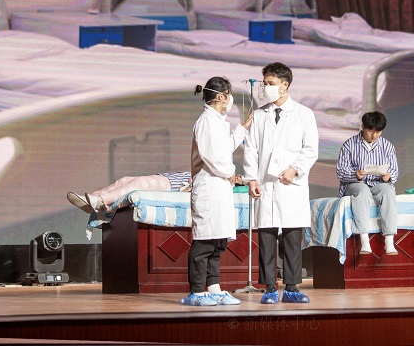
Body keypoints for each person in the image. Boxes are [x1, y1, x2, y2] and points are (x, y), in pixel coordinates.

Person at [243, 62, 319, 304]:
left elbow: (311, 149)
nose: (266, 88)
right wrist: (251, 178)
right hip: (265, 184)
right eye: (265, 83)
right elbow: (251, 150)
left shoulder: (304, 114)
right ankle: (269, 288)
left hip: (290, 184)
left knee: (292, 238)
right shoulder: (259, 115)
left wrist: (295, 169)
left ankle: (292, 287)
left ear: (285, 85)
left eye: (271, 83)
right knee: (266, 237)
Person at [182, 76, 252, 306]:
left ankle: (214, 288)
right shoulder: (206, 122)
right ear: (221, 96)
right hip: (209, 186)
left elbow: (223, 149)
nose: (230, 99)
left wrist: (242, 130)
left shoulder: (218, 122)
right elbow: (212, 157)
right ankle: (196, 292)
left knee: (217, 241)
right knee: (205, 241)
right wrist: (230, 172)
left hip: (219, 186)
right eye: (229, 94)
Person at [336, 111, 399, 256]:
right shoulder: (349, 144)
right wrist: (355, 174)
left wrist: (388, 177)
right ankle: (364, 239)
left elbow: (394, 171)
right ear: (363, 127)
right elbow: (340, 171)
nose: (374, 135)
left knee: (388, 191)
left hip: (378, 183)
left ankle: (389, 240)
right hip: (356, 184)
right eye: (371, 131)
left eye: (378, 132)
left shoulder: (387, 146)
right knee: (363, 191)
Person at [67, 172, 192, 214]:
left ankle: (100, 201)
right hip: (175, 177)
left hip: (177, 185)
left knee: (140, 182)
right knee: (124, 181)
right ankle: (92, 198)